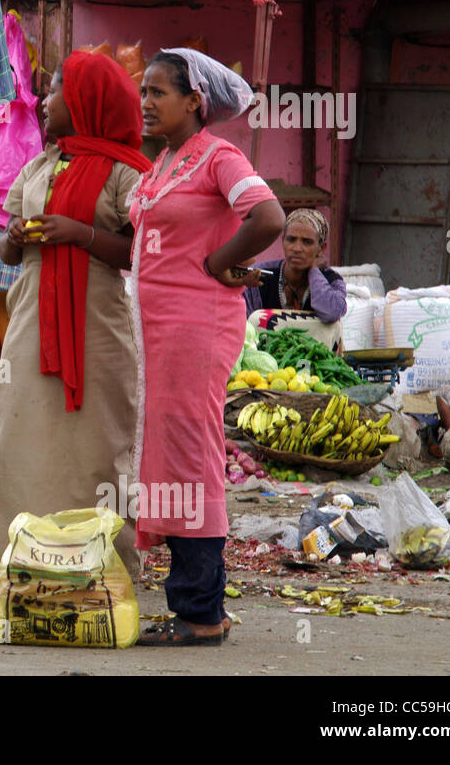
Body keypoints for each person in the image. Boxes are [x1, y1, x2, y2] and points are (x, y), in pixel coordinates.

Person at [0, 51, 153, 629]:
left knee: (96, 455)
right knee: (14, 444)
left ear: (85, 104)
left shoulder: (130, 175)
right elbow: (9, 252)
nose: (43, 102)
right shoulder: (38, 167)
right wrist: (12, 236)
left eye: (54, 93)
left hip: (98, 327)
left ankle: (100, 583)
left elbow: (140, 251)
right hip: (31, 319)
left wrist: (80, 234)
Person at [128, 49, 284, 646]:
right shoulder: (162, 163)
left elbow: (267, 216)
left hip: (196, 328)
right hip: (159, 333)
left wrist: (223, 260)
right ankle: (191, 602)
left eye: (158, 92)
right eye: (143, 92)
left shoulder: (219, 156)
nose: (146, 103)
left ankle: (200, 612)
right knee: (171, 460)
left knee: (192, 460)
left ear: (194, 102)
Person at [244, 208, 346, 322]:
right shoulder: (260, 274)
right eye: (291, 239)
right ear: (283, 242)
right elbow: (246, 324)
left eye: (307, 242)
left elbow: (332, 313)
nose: (297, 249)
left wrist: (314, 269)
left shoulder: (331, 280)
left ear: (321, 248)